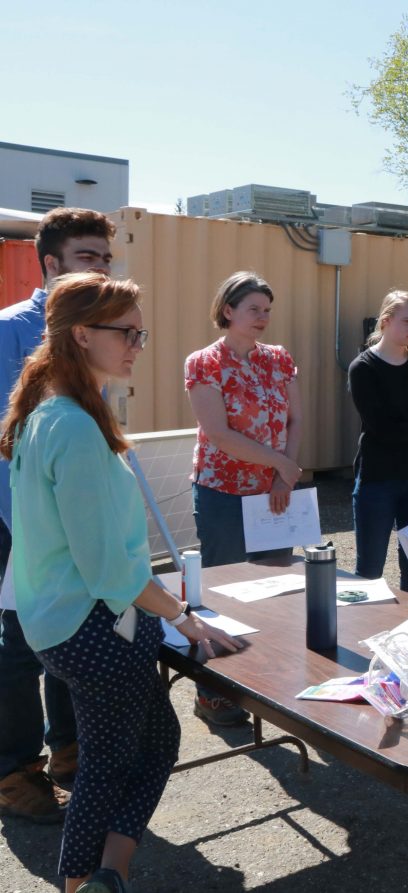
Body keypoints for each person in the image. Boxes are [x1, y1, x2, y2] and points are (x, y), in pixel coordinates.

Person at [2, 272, 243, 893]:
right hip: (94, 623)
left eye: (142, 331)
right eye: (127, 332)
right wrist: (183, 615)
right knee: (107, 765)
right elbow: (107, 567)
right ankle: (81, 883)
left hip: (64, 618)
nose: (139, 343)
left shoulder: (52, 411)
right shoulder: (74, 426)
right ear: (82, 335)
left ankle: (112, 871)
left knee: (157, 739)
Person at [0, 208, 113, 823]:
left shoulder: (90, 333)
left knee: (74, 626)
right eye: (87, 257)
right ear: (51, 265)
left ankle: (68, 750)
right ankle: (14, 773)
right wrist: (31, 530)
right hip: (18, 521)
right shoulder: (9, 333)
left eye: (106, 259)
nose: (100, 268)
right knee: (18, 645)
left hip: (67, 519)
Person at [185, 272, 302, 726]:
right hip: (222, 493)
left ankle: (263, 684)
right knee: (225, 593)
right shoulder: (204, 362)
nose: (263, 318)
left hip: (273, 494)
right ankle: (214, 692)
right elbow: (218, 433)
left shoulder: (279, 359)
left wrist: (283, 476)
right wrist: (282, 464)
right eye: (254, 309)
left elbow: (295, 420)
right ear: (228, 310)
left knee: (275, 593)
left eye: (267, 310)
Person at [348, 290, 408, 596]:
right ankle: (361, 636)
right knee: (369, 571)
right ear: (386, 321)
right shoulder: (363, 368)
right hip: (376, 482)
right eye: (407, 321)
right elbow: (382, 430)